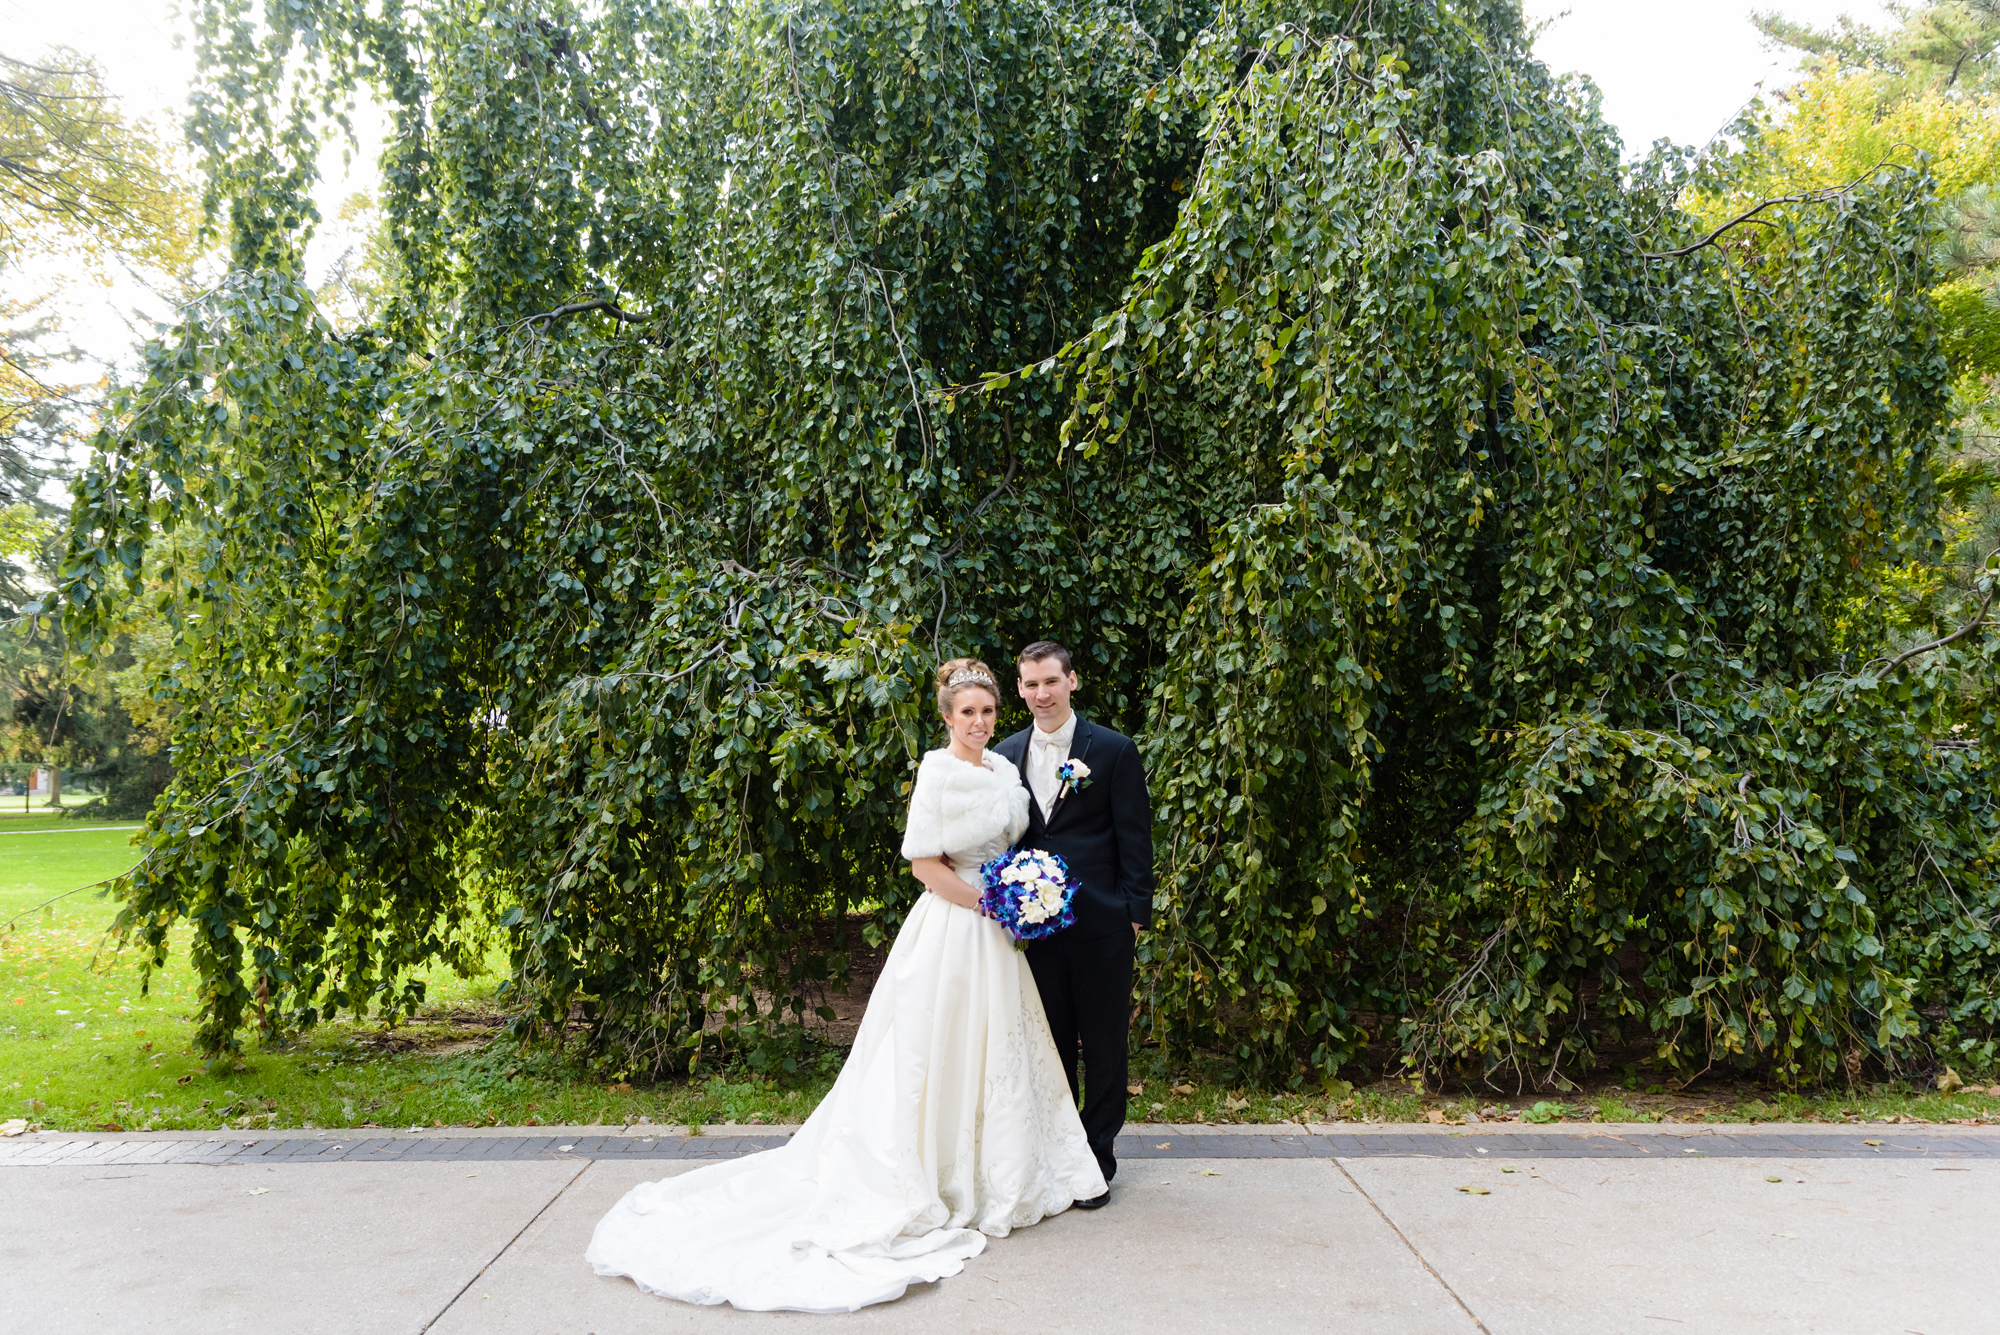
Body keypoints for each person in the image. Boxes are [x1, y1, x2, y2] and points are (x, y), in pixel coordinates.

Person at [585, 657, 1104, 1313]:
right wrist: (987, 902)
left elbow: (1012, 846)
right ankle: (931, 1174)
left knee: (996, 1049)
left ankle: (997, 1172)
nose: (978, 721)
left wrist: (1025, 891)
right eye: (966, 711)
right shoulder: (936, 771)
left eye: (987, 711)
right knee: (932, 1048)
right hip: (953, 924)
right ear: (947, 717)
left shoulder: (1003, 771)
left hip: (998, 936)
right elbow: (925, 864)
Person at [992, 640, 1153, 1203]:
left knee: (1105, 1043)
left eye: (1051, 682)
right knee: (1050, 1043)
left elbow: (1135, 838)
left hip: (1102, 924)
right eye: (1031, 684)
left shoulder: (1111, 750)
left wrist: (1135, 917)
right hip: (1033, 931)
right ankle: (1058, 1150)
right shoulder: (1004, 755)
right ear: (1019, 688)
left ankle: (1097, 1157)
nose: (1042, 694)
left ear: (1072, 681)